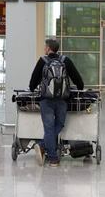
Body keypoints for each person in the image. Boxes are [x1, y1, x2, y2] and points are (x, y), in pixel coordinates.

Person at [29, 39, 84, 167]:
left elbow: (33, 80)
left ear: (48, 48)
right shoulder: (65, 60)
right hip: (62, 100)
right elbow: (77, 78)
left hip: (46, 100)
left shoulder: (43, 61)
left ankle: (51, 155)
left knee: (48, 128)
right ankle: (44, 146)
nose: (44, 49)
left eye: (45, 47)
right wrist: (80, 87)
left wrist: (32, 89)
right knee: (59, 124)